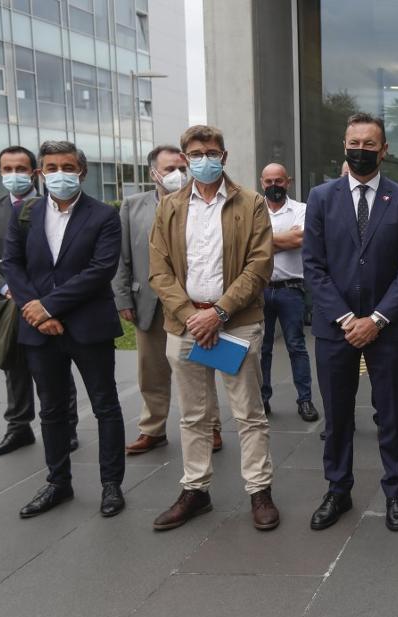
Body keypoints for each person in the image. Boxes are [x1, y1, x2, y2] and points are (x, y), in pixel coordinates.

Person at [147, 125, 280, 532]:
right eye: (196, 152)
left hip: (234, 324)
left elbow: (259, 264)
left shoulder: (251, 203)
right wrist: (192, 316)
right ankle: (196, 490)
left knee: (248, 413)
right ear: (185, 158)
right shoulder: (170, 207)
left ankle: (259, 490)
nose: (204, 159)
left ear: (224, 155)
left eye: (211, 152)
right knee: (193, 415)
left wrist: (218, 313)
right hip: (185, 324)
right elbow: (159, 269)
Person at [303, 113, 398, 533]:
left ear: (384, 150)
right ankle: (338, 489)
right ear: (344, 145)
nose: (362, 149)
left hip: (387, 329)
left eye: (371, 143)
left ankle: (395, 491)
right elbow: (313, 266)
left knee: (391, 414)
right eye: (355, 142)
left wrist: (374, 319)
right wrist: (345, 318)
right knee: (336, 416)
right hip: (334, 328)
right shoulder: (320, 197)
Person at [2, 140, 125, 518]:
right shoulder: (25, 213)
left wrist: (50, 305)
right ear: (40, 173)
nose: (59, 174)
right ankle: (58, 483)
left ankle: (111, 486)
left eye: (67, 167)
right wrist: (36, 310)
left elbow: (100, 270)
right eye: (51, 167)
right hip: (40, 330)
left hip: (89, 326)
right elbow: (13, 265)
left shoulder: (104, 215)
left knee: (105, 406)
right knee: (51, 410)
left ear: (81, 172)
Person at [0, 145, 79, 458]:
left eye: (21, 168)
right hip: (6, 304)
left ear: (34, 172)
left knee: (55, 368)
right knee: (12, 367)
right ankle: (18, 427)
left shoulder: (51, 206)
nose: (14, 174)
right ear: (1, 172)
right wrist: (6, 288)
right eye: (7, 169)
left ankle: (66, 427)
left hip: (47, 303)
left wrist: (43, 298)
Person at [115, 145, 222, 456]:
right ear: (153, 173)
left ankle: (211, 427)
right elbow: (121, 257)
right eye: (169, 169)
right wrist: (123, 296)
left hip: (194, 304)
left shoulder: (202, 203)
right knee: (151, 370)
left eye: (181, 167)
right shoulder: (132, 206)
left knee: (203, 367)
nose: (178, 174)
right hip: (148, 302)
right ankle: (153, 429)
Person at [258, 162, 319, 422]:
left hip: (291, 290)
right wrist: (283, 238)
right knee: (261, 348)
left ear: (288, 181)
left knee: (297, 347)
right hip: (259, 290)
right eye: (269, 182)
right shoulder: (252, 209)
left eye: (279, 181)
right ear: (262, 182)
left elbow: (301, 240)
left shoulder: (303, 210)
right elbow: (243, 245)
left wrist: (261, 242)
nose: (274, 186)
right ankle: (262, 400)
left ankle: (304, 400)